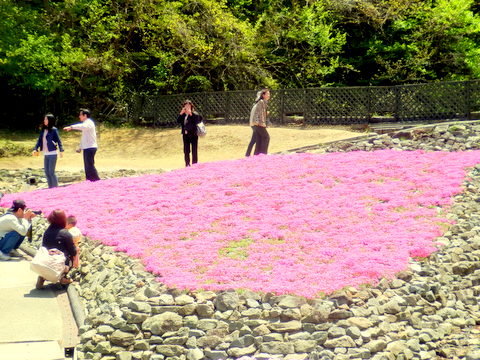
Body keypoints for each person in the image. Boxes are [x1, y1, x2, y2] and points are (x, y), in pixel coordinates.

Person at [35, 209, 77, 289]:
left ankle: (43, 277)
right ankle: (62, 277)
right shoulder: (65, 233)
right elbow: (73, 252)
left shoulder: (47, 231)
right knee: (72, 254)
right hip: (58, 263)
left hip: (45, 262)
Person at [63, 109, 100, 181]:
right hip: (87, 147)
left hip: (90, 147)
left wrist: (71, 127)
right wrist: (80, 147)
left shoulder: (89, 123)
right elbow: (84, 138)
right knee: (87, 165)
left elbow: (82, 126)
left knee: (90, 165)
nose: (79, 116)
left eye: (80, 115)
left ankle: (96, 180)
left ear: (85, 115)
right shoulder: (86, 123)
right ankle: (89, 180)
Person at [32, 113, 64, 188]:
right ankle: (50, 188)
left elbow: (59, 141)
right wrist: (35, 149)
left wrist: (61, 150)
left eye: (46, 119)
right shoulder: (43, 130)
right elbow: (39, 141)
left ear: (50, 120)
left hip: (53, 153)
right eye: (44, 119)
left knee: (51, 172)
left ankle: (55, 188)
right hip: (46, 154)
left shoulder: (54, 130)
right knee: (47, 172)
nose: (44, 120)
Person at [177, 100, 203, 167]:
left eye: (189, 105)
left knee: (194, 150)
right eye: (186, 105)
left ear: (191, 106)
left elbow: (197, 120)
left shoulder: (194, 113)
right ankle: (187, 164)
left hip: (193, 134)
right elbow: (178, 121)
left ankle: (194, 164)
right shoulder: (183, 114)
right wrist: (181, 113)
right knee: (186, 150)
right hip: (185, 135)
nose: (187, 106)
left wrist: (191, 114)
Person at [249, 88, 270, 155]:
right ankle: (263, 154)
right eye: (268, 94)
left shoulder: (261, 102)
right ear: (263, 95)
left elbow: (260, 113)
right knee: (266, 137)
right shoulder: (261, 102)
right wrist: (262, 123)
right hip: (258, 123)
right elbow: (260, 113)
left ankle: (257, 155)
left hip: (255, 123)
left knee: (259, 139)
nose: (269, 95)